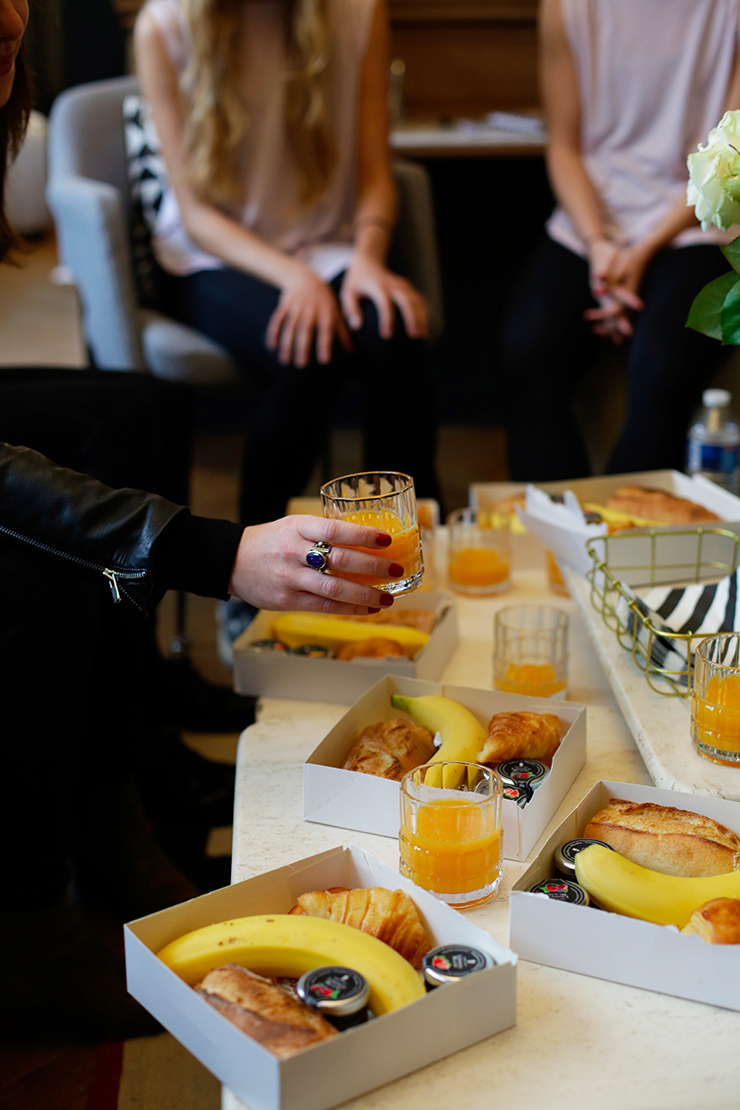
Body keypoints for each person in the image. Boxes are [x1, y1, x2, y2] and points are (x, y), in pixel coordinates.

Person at [0, 0, 405, 1040]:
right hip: (236, 269)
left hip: (312, 255)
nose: (8, 15)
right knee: (45, 556)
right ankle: (31, 929)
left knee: (130, 414)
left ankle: (122, 778)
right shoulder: (171, 29)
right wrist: (215, 553)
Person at [134, 0, 441, 536]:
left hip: (325, 242)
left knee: (393, 332)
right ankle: (257, 557)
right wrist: (298, 280)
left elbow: (375, 172)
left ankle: (405, 544)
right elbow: (197, 216)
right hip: (214, 253)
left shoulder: (360, 12)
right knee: (308, 347)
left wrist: (368, 258)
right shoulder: (162, 26)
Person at [499, 0, 740, 482]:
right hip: (594, 220)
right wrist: (599, 246)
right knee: (526, 353)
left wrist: (643, 250)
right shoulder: (566, 7)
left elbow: (732, 154)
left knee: (662, 371)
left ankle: (626, 521)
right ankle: (563, 521)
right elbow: (564, 146)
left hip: (701, 221)